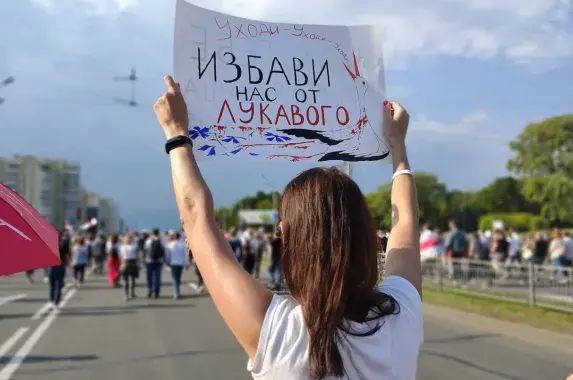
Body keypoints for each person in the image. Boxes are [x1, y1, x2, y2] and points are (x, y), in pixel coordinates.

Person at [154, 76, 422, 379]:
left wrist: (176, 133)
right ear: (366, 234)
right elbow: (407, 226)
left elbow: (195, 215)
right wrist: (398, 147)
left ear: (286, 235)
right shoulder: (401, 316)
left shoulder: (276, 333)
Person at [48, 231, 70, 309]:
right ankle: (56, 301)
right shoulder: (65, 244)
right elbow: (67, 256)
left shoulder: (50, 244)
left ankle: (51, 300)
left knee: (52, 284)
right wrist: (68, 265)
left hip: (51, 266)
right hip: (61, 265)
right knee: (58, 284)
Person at [166, 231, 189, 299]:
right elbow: (185, 255)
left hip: (173, 263)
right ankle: (177, 290)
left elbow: (168, 255)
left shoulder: (170, 245)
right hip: (180, 263)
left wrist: (167, 261)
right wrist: (186, 264)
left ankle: (176, 292)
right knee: (178, 278)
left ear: (174, 237)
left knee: (174, 278)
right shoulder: (183, 245)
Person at [120, 234, 139, 301]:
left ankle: (126, 295)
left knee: (125, 280)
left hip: (125, 262)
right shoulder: (134, 246)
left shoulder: (122, 247)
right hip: (133, 262)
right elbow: (137, 256)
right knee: (133, 279)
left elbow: (121, 256)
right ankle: (132, 293)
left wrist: (122, 264)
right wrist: (138, 263)